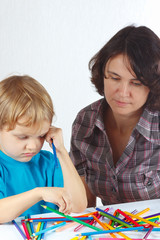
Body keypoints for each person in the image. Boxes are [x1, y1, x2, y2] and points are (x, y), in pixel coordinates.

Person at [69, 25, 160, 207]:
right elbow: (84, 207)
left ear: (152, 85)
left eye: (136, 83)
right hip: (109, 232)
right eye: (115, 78)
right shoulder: (85, 122)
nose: (123, 92)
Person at [0, 75, 87, 223]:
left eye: (41, 135)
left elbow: (78, 205)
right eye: (22, 137)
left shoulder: (49, 162)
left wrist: (61, 151)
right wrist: (38, 193)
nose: (33, 146)